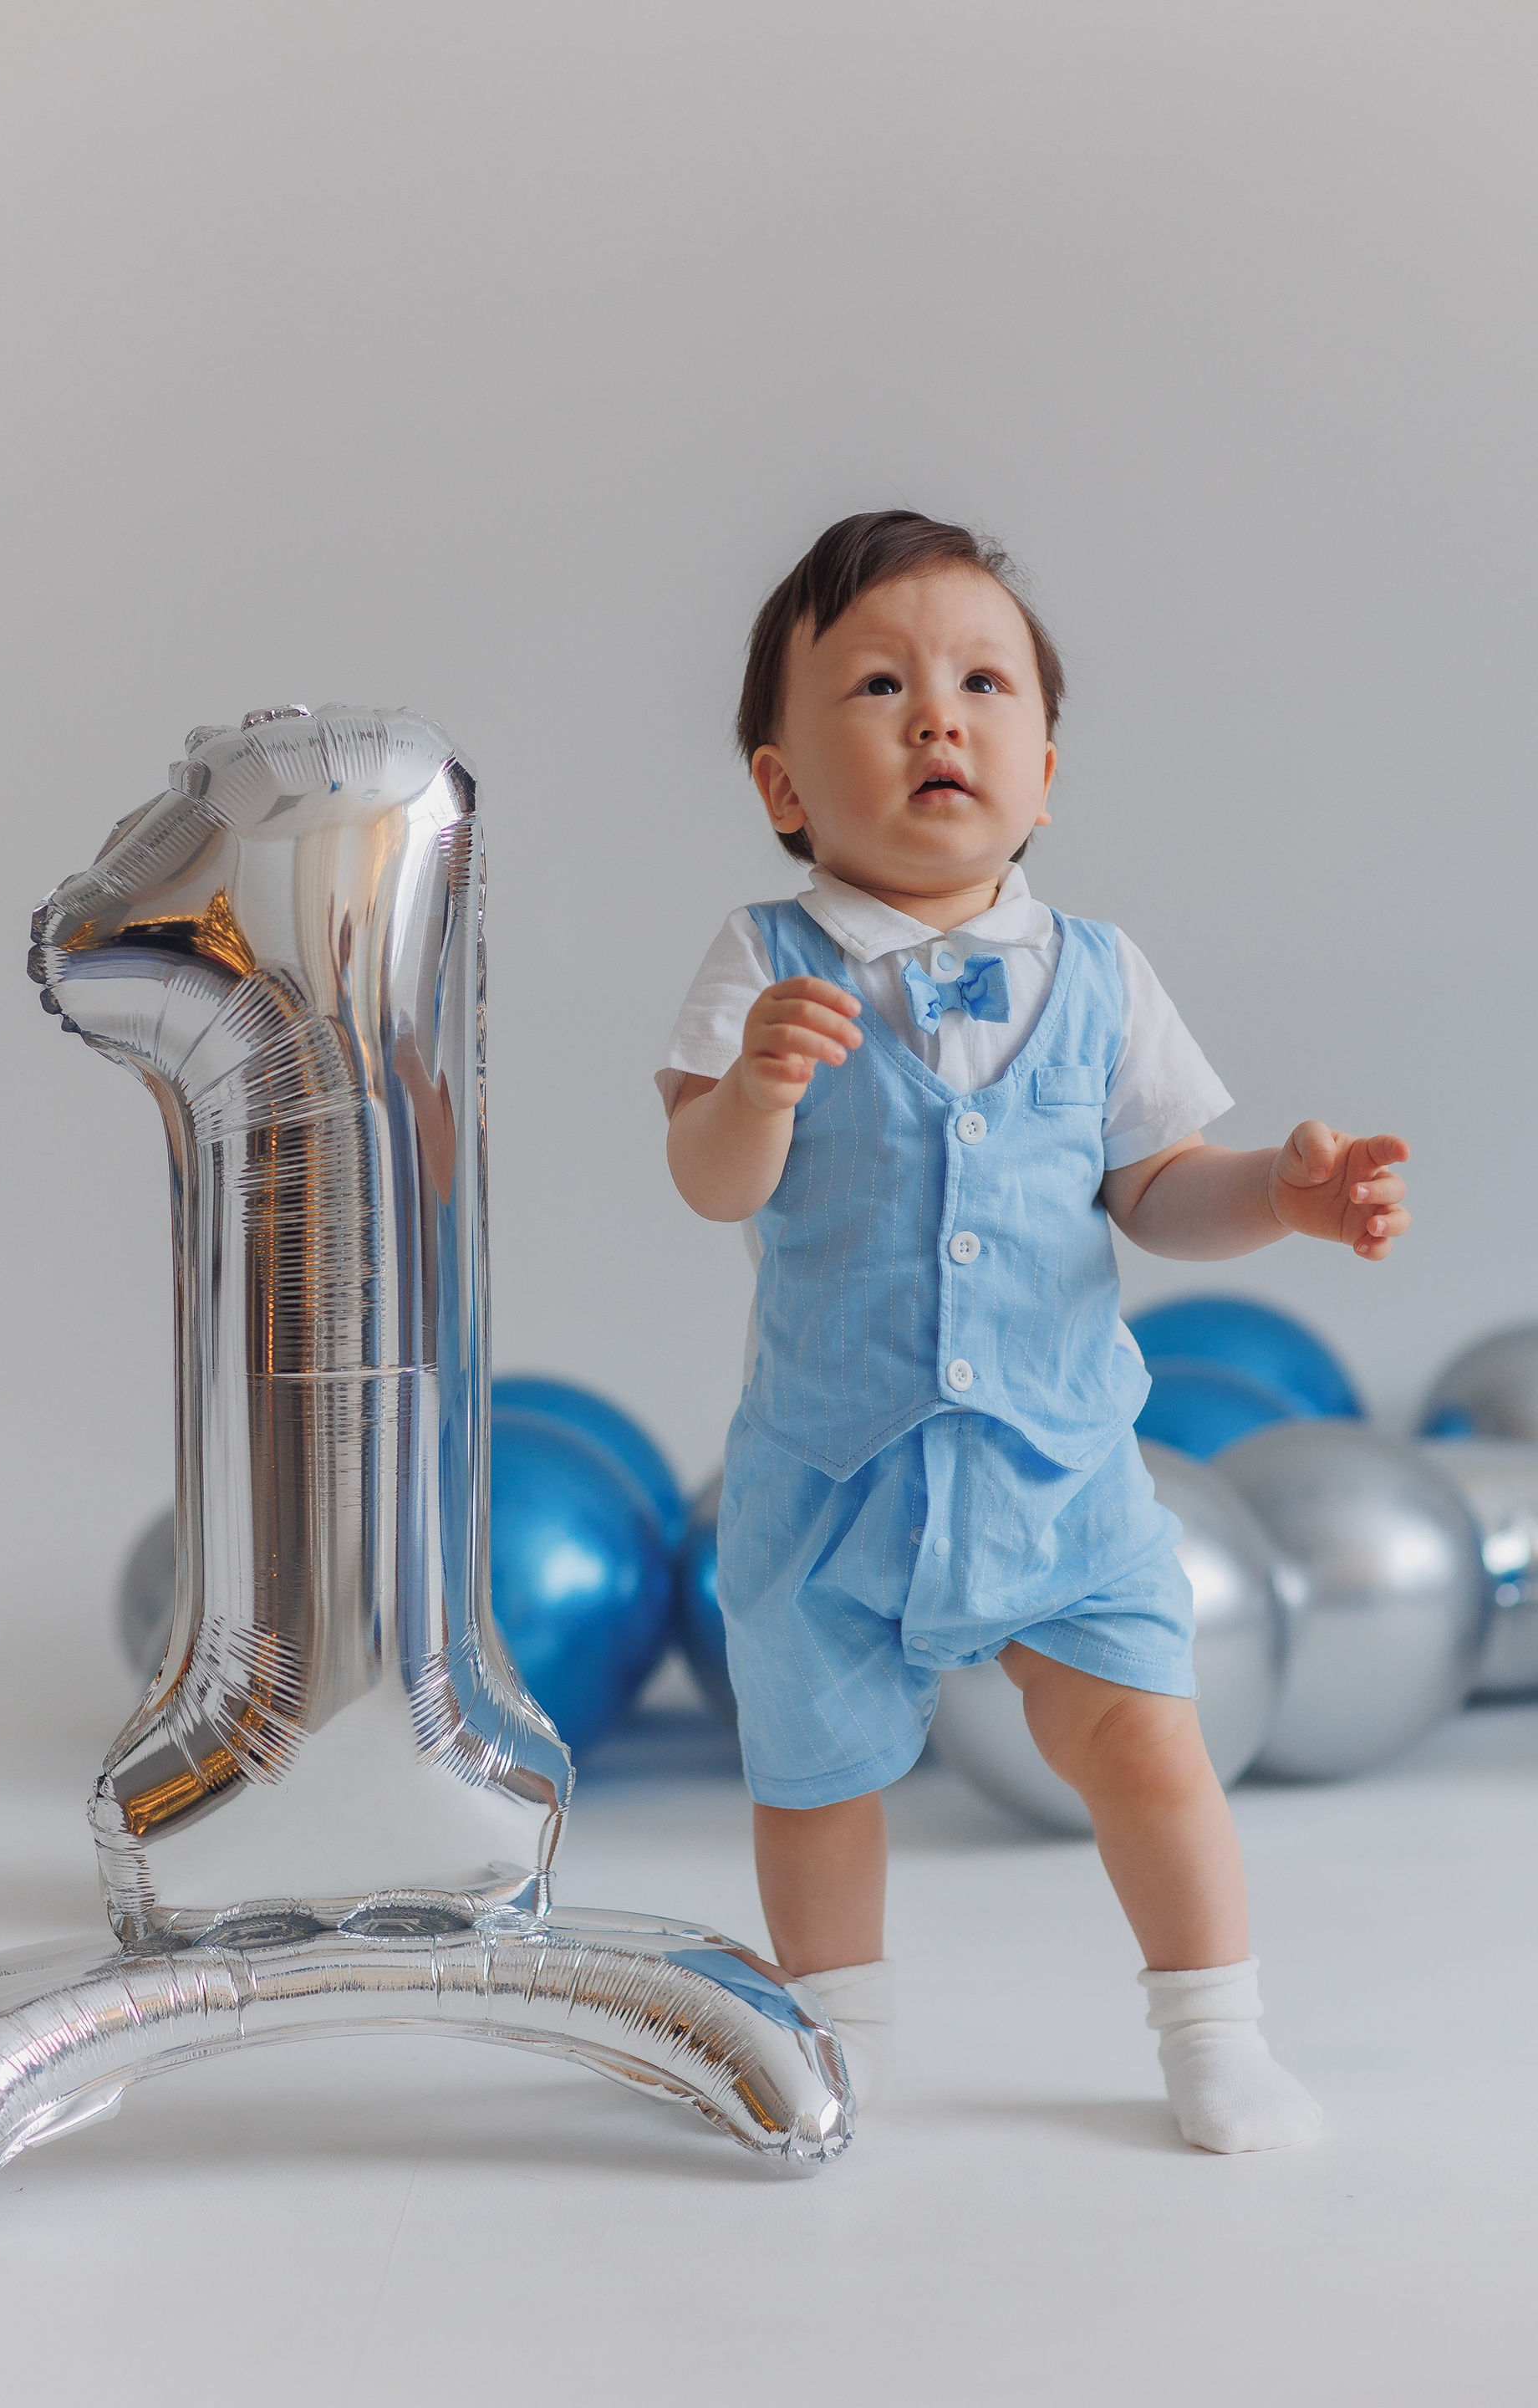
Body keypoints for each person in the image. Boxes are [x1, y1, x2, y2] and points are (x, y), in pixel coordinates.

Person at [658, 511, 1412, 2152]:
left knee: (1145, 1740)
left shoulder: (1101, 975)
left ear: (1046, 773)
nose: (938, 716)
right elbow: (713, 1183)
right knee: (814, 1778)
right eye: (878, 686)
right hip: (829, 1480)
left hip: (1061, 1477)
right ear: (784, 787)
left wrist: (1276, 1198)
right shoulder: (766, 965)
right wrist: (755, 1092)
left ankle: (1216, 2033)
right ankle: (840, 2033)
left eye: (983, 685)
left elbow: (1155, 1187)